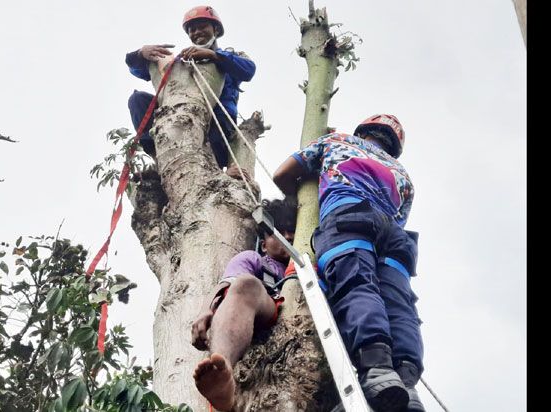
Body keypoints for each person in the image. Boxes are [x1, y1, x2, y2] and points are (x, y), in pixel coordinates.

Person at [273, 115, 425, 412]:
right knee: (398, 303)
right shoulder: (404, 176)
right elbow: (398, 216)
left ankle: (377, 370)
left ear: (364, 130)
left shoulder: (337, 140)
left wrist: (305, 197)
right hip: (396, 237)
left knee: (356, 282)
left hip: (349, 215)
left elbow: (281, 175)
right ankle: (406, 382)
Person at [190, 197, 297, 411]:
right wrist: (205, 310)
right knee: (246, 284)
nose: (287, 236)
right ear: (264, 244)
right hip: (264, 311)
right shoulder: (255, 260)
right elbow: (227, 284)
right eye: (278, 232)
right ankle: (221, 372)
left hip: (300, 328)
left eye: (291, 230)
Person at [125, 5, 256, 169]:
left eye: (202, 27)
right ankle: (156, 152)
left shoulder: (230, 57)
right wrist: (139, 54)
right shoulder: (182, 61)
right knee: (137, 100)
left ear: (215, 30)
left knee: (213, 146)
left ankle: (212, 169)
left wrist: (214, 56)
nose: (196, 32)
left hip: (217, 120)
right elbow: (138, 70)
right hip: (178, 115)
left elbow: (248, 70)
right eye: (192, 30)